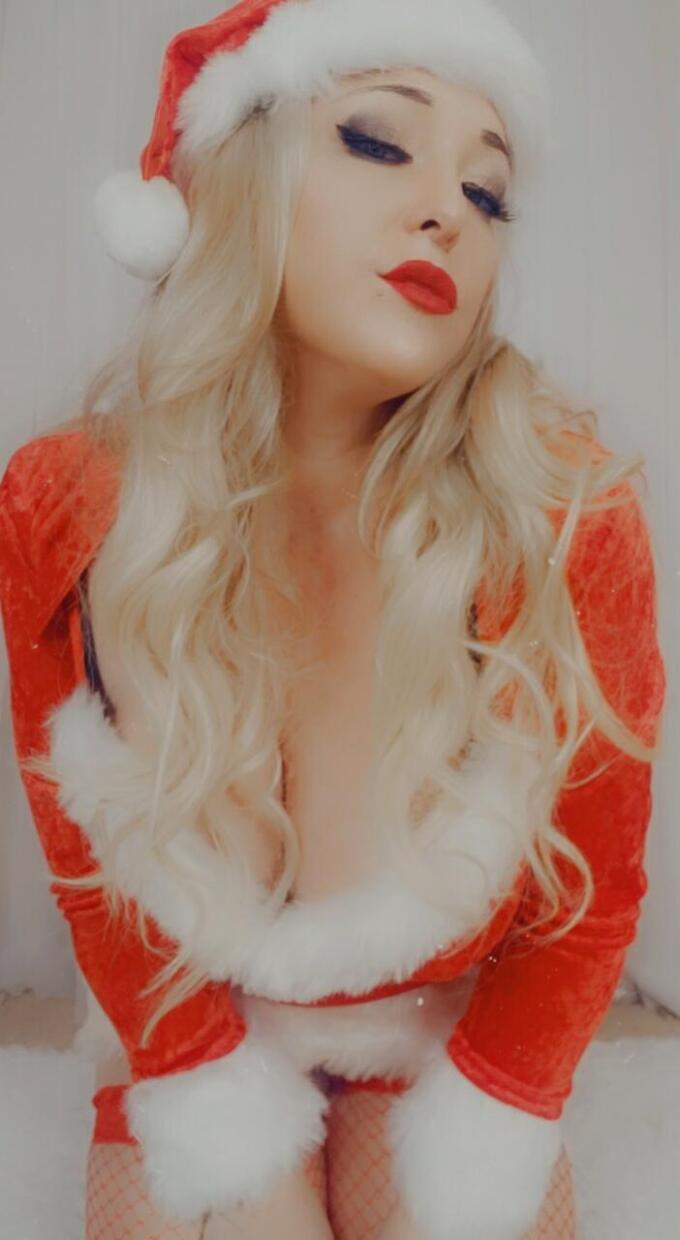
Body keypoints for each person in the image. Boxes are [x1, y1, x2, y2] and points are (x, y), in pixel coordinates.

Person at [0, 2, 667, 1237]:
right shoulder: (66, 504)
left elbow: (590, 898)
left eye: (485, 191)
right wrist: (204, 1090)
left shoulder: (564, 514)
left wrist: (493, 1103)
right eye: (376, 141)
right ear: (239, 181)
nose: (445, 212)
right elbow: (89, 862)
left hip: (434, 1024)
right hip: (194, 1012)